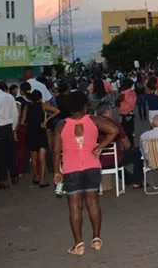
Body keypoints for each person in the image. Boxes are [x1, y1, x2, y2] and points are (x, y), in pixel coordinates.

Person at [53, 91, 119, 256]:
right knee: (93, 203)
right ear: (85, 105)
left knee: (75, 206)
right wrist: (100, 146)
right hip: (92, 166)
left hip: (71, 168)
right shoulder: (94, 120)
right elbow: (113, 130)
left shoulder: (61, 125)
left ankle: (79, 244)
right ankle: (96, 238)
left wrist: (56, 171)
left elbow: (55, 151)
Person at [94, 103, 143, 190]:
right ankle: (137, 181)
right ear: (108, 111)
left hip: (97, 160)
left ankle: (128, 179)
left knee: (118, 156)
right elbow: (127, 145)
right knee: (137, 152)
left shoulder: (93, 125)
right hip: (114, 160)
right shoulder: (114, 124)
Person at [21, 90, 59, 187]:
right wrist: (46, 120)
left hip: (30, 132)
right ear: (40, 98)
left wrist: (28, 123)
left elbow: (22, 122)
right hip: (41, 132)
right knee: (42, 157)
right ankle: (42, 180)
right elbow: (57, 111)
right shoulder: (43, 105)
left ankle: (35, 177)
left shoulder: (27, 106)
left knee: (33, 157)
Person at [115, 78, 137, 146]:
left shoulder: (123, 93)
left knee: (124, 133)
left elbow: (116, 102)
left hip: (123, 115)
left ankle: (127, 147)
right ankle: (132, 146)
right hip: (131, 113)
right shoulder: (133, 92)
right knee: (131, 132)